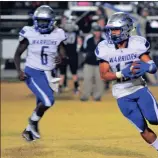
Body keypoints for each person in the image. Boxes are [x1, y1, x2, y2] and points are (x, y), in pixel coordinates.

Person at [95, 12, 158, 158]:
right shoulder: (105, 47)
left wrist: (147, 68)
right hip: (121, 93)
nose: (112, 33)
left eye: (116, 29)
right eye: (111, 29)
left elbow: (152, 66)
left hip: (138, 87)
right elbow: (104, 75)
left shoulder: (137, 43)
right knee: (141, 126)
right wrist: (120, 74)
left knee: (155, 120)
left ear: (126, 29)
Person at [14, 5, 67, 142]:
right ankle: (32, 122)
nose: (42, 24)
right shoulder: (29, 32)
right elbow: (17, 53)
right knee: (48, 101)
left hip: (49, 73)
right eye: (40, 21)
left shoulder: (58, 33)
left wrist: (61, 58)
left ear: (52, 21)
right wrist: (19, 70)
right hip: (33, 72)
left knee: (41, 104)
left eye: (45, 21)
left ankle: (28, 132)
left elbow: (63, 53)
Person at [80, 22, 104, 101]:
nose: (97, 33)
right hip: (88, 63)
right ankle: (85, 95)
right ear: (93, 32)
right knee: (87, 79)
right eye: (95, 31)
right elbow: (83, 49)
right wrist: (86, 55)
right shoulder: (88, 39)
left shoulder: (104, 41)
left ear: (100, 32)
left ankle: (97, 96)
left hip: (100, 64)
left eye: (98, 31)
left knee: (99, 80)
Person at [58, 16, 80, 94]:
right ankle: (61, 87)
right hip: (66, 55)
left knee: (72, 73)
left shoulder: (75, 31)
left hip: (71, 54)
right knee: (62, 72)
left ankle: (76, 87)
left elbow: (79, 40)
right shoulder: (63, 31)